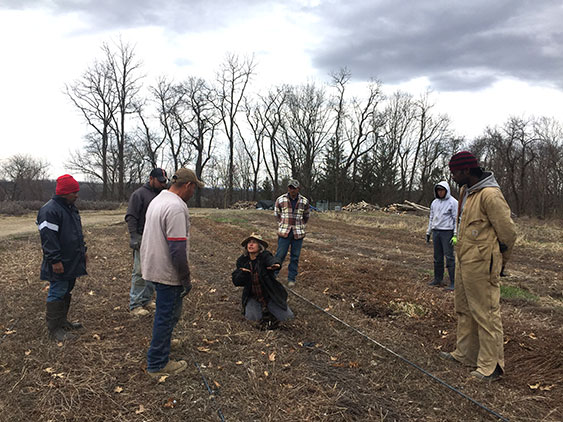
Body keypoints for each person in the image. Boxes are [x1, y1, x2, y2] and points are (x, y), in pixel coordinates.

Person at [440, 151, 517, 381]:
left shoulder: (490, 195)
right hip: (465, 261)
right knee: (464, 309)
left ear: (467, 171)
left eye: (455, 172)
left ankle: (490, 366)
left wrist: (500, 263)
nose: (452, 177)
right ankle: (466, 354)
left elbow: (508, 234)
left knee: (486, 314)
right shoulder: (466, 192)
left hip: (483, 264)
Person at [140, 168, 203, 378]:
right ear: (188, 185)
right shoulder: (176, 207)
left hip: (154, 264)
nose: (193, 193)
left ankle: (165, 342)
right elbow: (177, 248)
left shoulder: (158, 200)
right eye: (194, 188)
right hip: (167, 269)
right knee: (166, 315)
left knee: (169, 312)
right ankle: (157, 363)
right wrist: (185, 277)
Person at [37, 174, 87, 342]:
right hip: (60, 261)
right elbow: (48, 239)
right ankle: (54, 329)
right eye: (74, 192)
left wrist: (83, 250)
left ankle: (62, 321)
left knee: (66, 289)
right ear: (64, 192)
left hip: (72, 260)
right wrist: (55, 260)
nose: (76, 195)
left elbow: (75, 233)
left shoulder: (70, 207)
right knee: (57, 291)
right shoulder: (49, 211)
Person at [125, 168, 168, 316]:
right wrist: (134, 236)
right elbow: (131, 216)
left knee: (153, 270)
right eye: (160, 181)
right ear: (151, 179)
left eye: (164, 182)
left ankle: (147, 299)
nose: (163, 184)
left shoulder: (161, 195)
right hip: (143, 236)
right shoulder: (139, 194)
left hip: (157, 237)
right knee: (140, 271)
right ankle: (135, 304)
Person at [232, 233, 294, 329]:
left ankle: (270, 309)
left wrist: (276, 264)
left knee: (288, 318)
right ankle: (261, 310)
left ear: (260, 247)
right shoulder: (242, 261)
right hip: (252, 296)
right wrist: (242, 274)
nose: (250, 245)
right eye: (249, 243)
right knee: (252, 319)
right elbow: (236, 281)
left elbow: (272, 260)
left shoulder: (265, 256)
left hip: (270, 295)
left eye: (254, 243)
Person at [274, 179, 310, 287]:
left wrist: (301, 226)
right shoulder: (280, 199)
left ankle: (291, 279)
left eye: (294, 188)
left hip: (298, 233)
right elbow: (277, 214)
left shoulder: (304, 201)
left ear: (298, 189)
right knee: (280, 255)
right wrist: (282, 224)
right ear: (288, 188)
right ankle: (273, 275)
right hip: (284, 232)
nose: (292, 190)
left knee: (295, 257)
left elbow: (306, 216)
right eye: (290, 187)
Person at [426, 181, 458, 290]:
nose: (440, 192)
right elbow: (431, 217)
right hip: (436, 231)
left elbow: (456, 219)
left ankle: (453, 282)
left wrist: (455, 234)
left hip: (447, 232)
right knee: (437, 257)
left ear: (446, 190)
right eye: (438, 190)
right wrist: (428, 232)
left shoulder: (453, 202)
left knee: (449, 257)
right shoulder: (434, 203)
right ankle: (438, 279)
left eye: (442, 190)